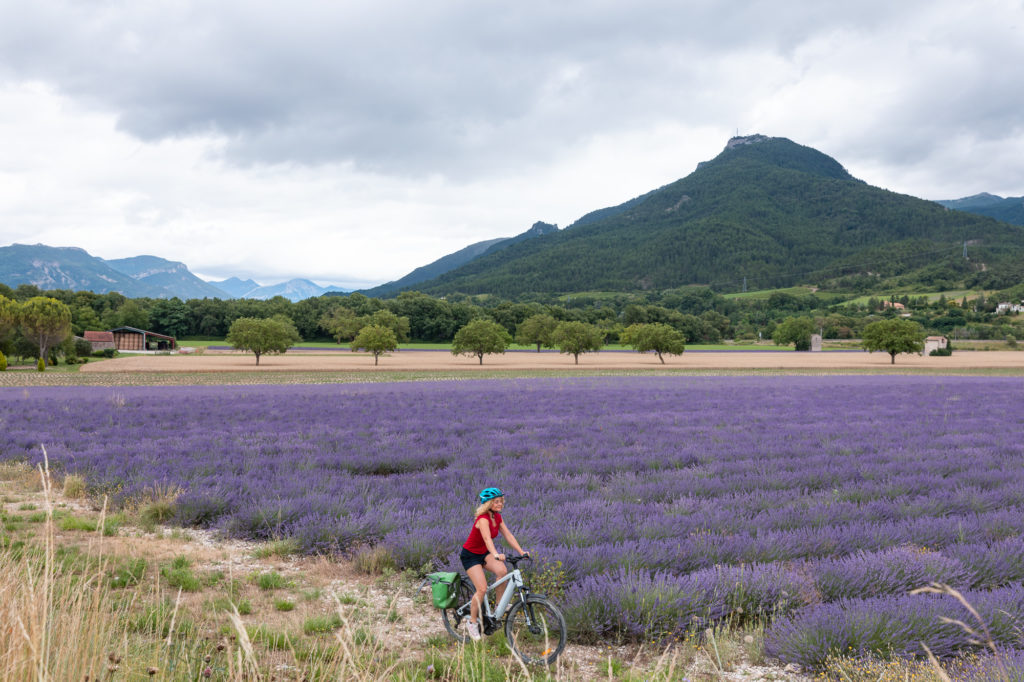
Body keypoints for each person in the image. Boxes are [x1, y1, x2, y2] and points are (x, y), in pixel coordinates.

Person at [459, 487, 529, 641]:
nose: (500, 504)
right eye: (496, 502)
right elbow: (487, 539)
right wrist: (496, 554)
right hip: (470, 556)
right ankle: (471, 623)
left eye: (501, 501)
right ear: (488, 504)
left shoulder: (497, 517)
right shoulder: (483, 519)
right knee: (482, 588)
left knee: (502, 572)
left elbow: (508, 535)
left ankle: (498, 606)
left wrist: (521, 551)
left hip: (484, 553)